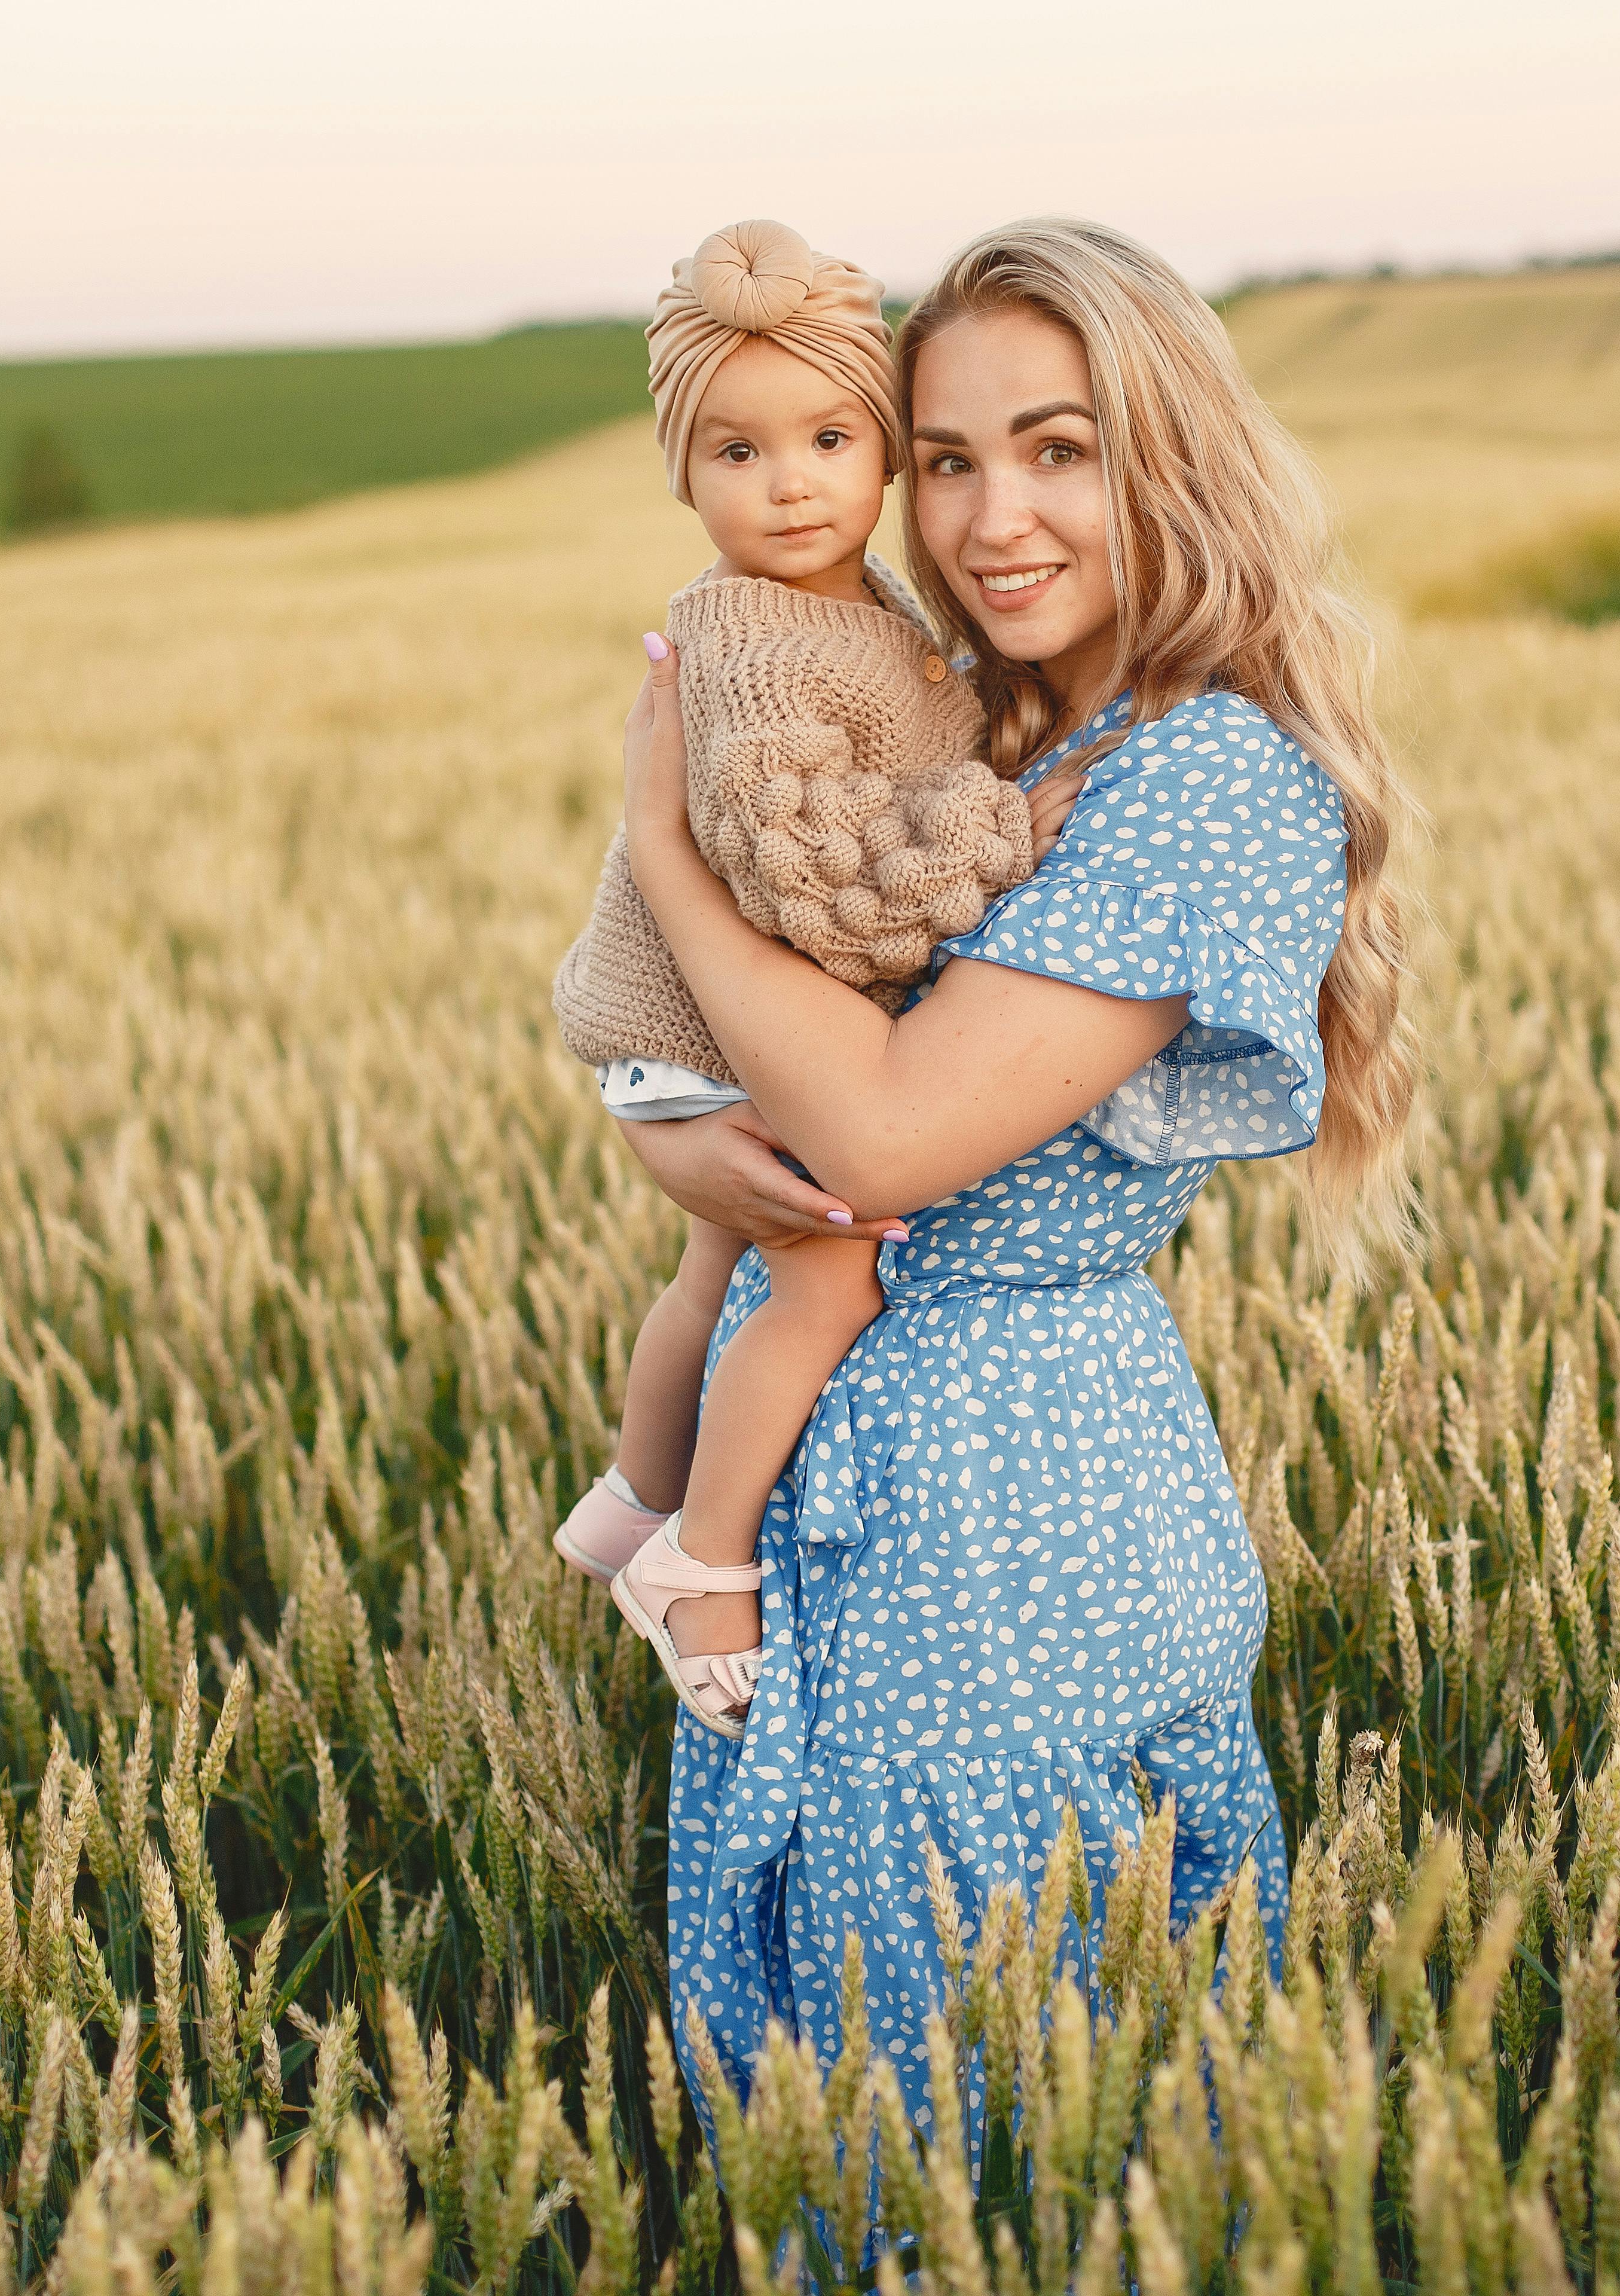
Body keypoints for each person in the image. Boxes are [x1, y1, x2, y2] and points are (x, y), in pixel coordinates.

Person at [610, 213, 1423, 2132]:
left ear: (1171, 457)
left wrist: (661, 850)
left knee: (1003, 2087)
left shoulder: (1205, 775)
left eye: (1058, 449)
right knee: (854, 2046)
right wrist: (656, 1120)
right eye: (953, 457)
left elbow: (881, 1132)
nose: (992, 519)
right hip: (848, 1471)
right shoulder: (1018, 718)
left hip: (1005, 1509)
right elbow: (782, 1055)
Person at [547, 219, 1056, 1739]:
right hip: (711, 1020)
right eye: (735, 453)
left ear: (886, 450)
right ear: (680, 473)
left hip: (672, 1018)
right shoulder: (765, 646)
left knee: (710, 1272)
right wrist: (1007, 821)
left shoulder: (855, 602)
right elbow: (820, 888)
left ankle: (635, 1497)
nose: (790, 483)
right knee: (822, 1277)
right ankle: (703, 1557)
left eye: (832, 437)